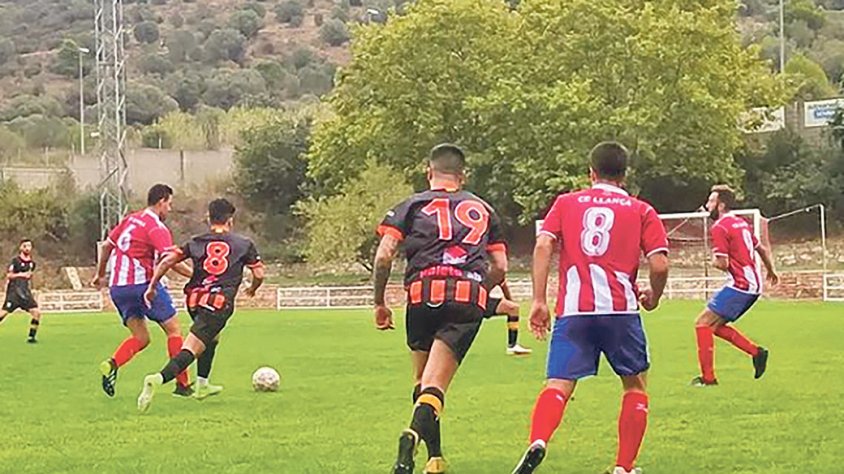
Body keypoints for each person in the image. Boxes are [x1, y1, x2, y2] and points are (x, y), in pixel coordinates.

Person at [511, 142, 670, 474]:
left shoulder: (566, 203)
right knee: (635, 385)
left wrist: (538, 300)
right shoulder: (641, 210)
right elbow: (659, 265)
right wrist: (653, 296)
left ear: (591, 172)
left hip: (574, 310)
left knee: (558, 383)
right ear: (624, 175)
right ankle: (624, 467)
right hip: (620, 311)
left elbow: (543, 244)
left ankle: (538, 440)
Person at [373, 144, 508, 474]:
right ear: (463, 176)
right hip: (465, 298)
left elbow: (384, 256)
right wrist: (478, 291)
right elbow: (500, 266)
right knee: (435, 385)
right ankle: (412, 436)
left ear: (428, 172)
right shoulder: (483, 208)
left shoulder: (411, 205)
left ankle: (434, 459)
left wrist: (379, 302)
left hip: (421, 294)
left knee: (422, 380)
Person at [137, 198, 264, 412]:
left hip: (194, 300)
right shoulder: (243, 244)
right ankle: (157, 379)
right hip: (218, 303)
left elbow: (167, 261)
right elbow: (259, 274)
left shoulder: (195, 242)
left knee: (211, 337)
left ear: (208, 219)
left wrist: (152, 286)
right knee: (191, 348)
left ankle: (202, 384)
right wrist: (253, 288)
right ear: (230, 221)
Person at [92, 184, 193, 398]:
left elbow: (107, 246)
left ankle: (112, 364)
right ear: (161, 201)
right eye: (169, 204)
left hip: (118, 288)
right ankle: (182, 384)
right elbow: (169, 260)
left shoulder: (130, 219)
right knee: (174, 330)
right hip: (142, 285)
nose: (169, 209)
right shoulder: (156, 227)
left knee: (141, 337)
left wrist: (100, 274)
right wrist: (194, 276)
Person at [690, 185, 778, 387]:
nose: (707, 205)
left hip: (741, 285)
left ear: (721, 205)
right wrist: (771, 270)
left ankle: (708, 379)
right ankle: (756, 353)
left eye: (711, 201)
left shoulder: (720, 227)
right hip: (752, 285)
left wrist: (712, 260)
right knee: (714, 326)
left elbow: (722, 264)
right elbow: (761, 249)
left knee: (702, 324)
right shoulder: (741, 223)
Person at [0, 239, 42, 343]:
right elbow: (9, 275)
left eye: (29, 246)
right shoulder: (15, 261)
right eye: (25, 246)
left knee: (36, 313)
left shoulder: (32, 264)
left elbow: (29, 277)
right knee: (3, 314)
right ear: (21, 248)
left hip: (25, 293)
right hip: (14, 292)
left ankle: (31, 337)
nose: (27, 248)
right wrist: (21, 275)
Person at [483, 280, 531, 355]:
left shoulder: (488, 273)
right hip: (468, 300)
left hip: (480, 299)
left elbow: (502, 283)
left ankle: (512, 345)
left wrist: (509, 300)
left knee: (513, 308)